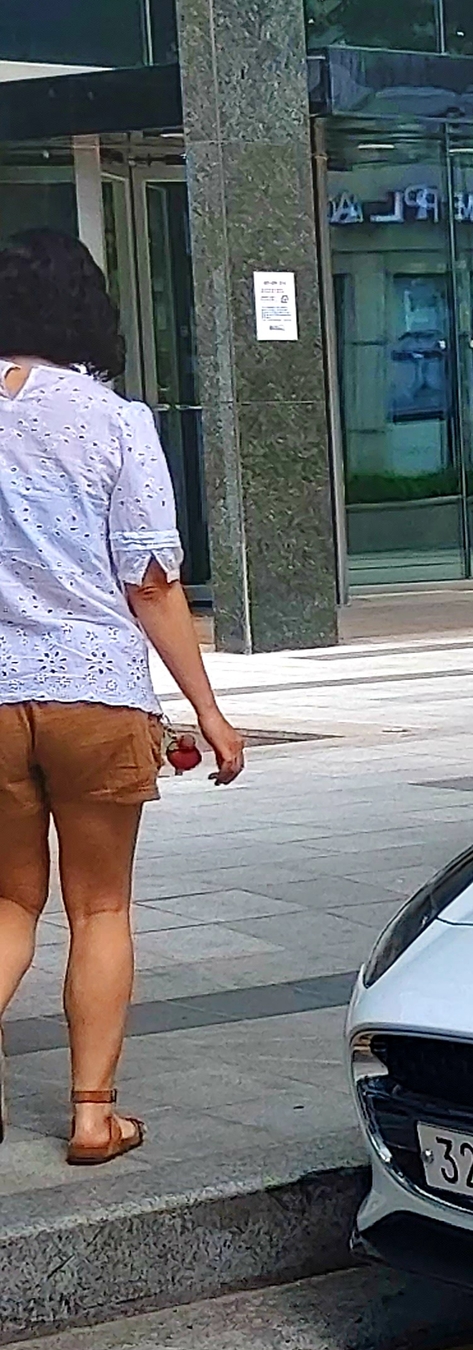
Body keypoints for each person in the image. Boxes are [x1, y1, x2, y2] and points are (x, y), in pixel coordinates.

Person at [0, 230, 246, 1164]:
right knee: (99, 908)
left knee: (7, 901)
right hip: (94, 695)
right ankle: (95, 1114)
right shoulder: (112, 419)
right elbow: (150, 580)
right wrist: (210, 711)